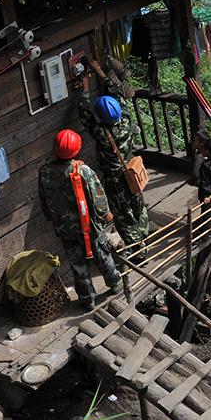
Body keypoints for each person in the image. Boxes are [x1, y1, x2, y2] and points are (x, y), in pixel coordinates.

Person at [38, 129, 122, 308]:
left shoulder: (45, 172)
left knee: (76, 261)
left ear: (55, 149)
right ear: (77, 150)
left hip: (64, 227)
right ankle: (115, 284)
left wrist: (49, 217)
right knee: (102, 254)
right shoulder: (83, 170)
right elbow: (98, 196)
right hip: (88, 225)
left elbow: (44, 198)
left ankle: (87, 298)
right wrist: (105, 214)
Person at [78, 85, 149, 248]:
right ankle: (144, 237)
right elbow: (118, 91)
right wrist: (100, 72)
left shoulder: (102, 134)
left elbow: (84, 114)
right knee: (138, 206)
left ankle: (138, 250)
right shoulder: (126, 118)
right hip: (131, 172)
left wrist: (86, 88)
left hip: (116, 181)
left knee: (124, 215)